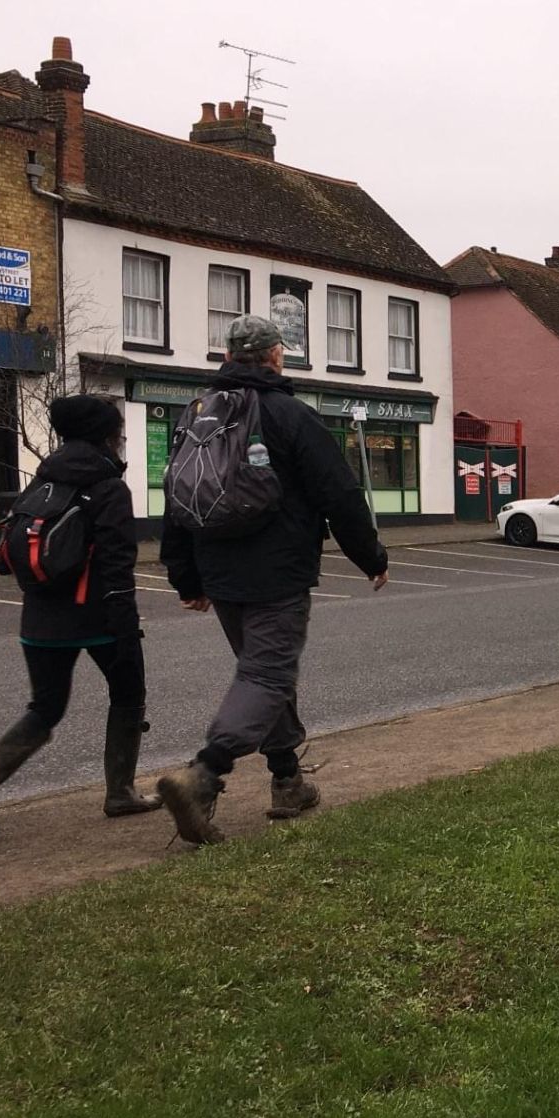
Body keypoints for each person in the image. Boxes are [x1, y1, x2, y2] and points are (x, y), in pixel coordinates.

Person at [154, 315, 389, 844]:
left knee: (262, 673)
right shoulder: (290, 415)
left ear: (230, 356)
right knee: (266, 677)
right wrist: (371, 556)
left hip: (219, 571)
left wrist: (186, 578)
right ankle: (202, 774)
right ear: (274, 356)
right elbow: (341, 493)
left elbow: (176, 500)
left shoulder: (195, 416)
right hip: (278, 570)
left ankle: (287, 781)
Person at [0, 395, 161, 838]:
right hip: (99, 617)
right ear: (106, 436)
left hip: (39, 620)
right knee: (128, 696)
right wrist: (126, 627)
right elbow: (117, 565)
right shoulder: (108, 487)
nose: (122, 439)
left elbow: (6, 555)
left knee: (44, 709)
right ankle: (120, 792)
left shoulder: (41, 482)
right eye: (119, 432)